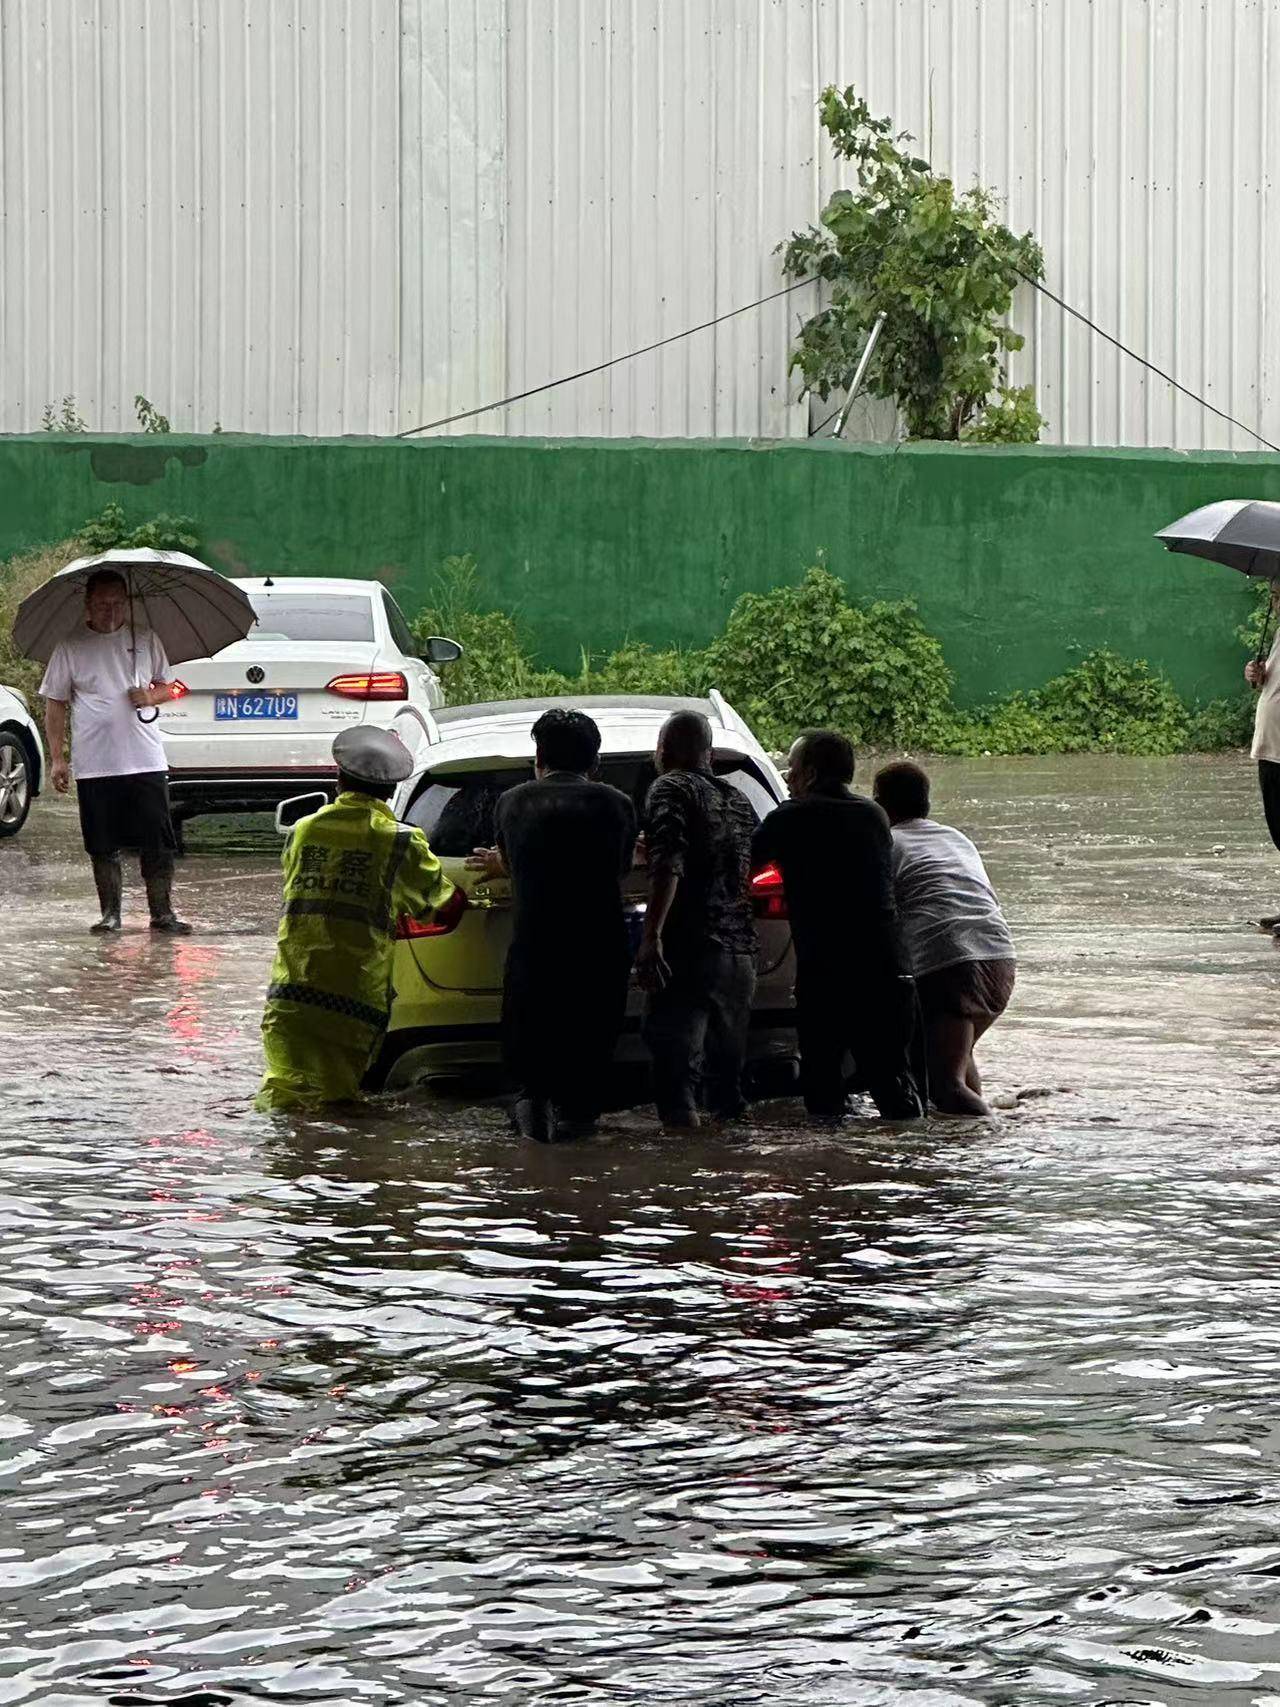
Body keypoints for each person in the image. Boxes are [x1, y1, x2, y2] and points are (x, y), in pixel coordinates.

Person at [256, 727, 454, 1111]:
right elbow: (444, 904)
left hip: (292, 989)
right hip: (355, 997)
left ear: (338, 778)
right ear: (392, 791)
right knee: (338, 1102)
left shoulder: (302, 830)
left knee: (281, 1098)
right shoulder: (401, 841)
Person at [468, 708, 637, 1143]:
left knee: (531, 1076)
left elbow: (515, 861)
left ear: (538, 757)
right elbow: (620, 868)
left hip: (535, 951)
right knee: (589, 1063)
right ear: (594, 762)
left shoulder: (513, 802)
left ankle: (537, 1161)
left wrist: (500, 865)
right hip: (600, 952)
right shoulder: (617, 805)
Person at [752, 730, 922, 1123]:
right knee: (893, 1084)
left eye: (792, 770)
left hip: (827, 974)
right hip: (887, 968)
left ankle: (829, 1177)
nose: (788, 779)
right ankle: (911, 1169)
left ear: (809, 773)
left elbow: (739, 860)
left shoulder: (789, 818)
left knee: (824, 1090)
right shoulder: (874, 815)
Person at [39, 567, 190, 934]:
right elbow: (55, 704)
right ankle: (111, 914)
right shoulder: (70, 646)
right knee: (102, 842)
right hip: (96, 763)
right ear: (88, 604)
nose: (111, 610)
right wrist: (58, 758)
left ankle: (162, 913)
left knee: (158, 839)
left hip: (145, 758)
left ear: (128, 603)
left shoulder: (146, 638)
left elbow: (174, 687)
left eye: (118, 603)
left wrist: (152, 695)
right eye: (103, 603)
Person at [635, 710, 758, 1132]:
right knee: (727, 1085)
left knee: (676, 1079)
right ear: (710, 754)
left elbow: (670, 862)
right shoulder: (739, 799)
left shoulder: (669, 786)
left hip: (690, 949)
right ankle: (731, 1181)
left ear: (663, 750)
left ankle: (685, 1183)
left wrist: (652, 936)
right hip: (740, 955)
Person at [873, 760, 1015, 1117]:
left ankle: (992, 1144)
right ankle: (964, 1149)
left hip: (947, 963)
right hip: (999, 958)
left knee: (944, 1085)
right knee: (958, 1061)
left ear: (880, 803)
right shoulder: (955, 838)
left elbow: (877, 915)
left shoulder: (887, 844)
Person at [1244, 586, 1280, 931]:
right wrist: (1258, 672)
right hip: (1271, 747)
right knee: (1279, 829)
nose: (1276, 605)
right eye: (1274, 599)